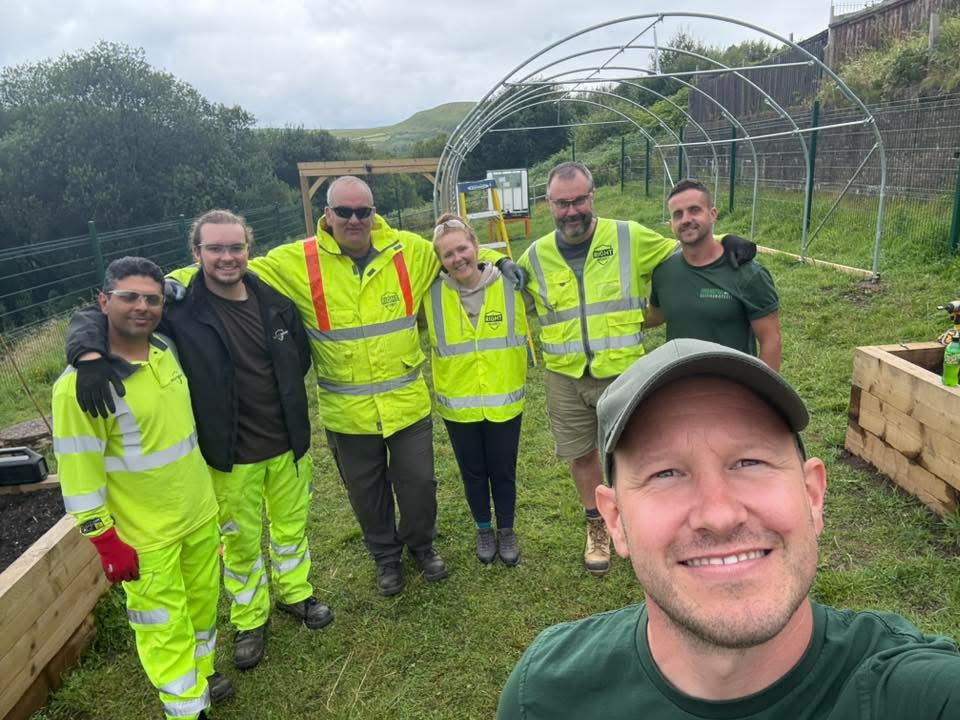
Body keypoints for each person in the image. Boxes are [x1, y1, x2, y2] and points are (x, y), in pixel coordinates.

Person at [497, 338, 960, 719]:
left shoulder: (913, 694)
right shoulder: (544, 698)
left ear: (813, 495)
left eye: (749, 462)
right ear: (615, 520)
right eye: (666, 473)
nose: (719, 516)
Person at [174, 177, 518, 596]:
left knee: (418, 487)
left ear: (374, 214)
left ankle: (421, 546)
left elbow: (458, 251)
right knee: (366, 494)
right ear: (327, 215)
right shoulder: (298, 261)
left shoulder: (408, 250)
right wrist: (168, 287)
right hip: (347, 413)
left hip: (406, 405)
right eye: (344, 212)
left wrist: (499, 261)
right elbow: (229, 266)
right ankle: (386, 558)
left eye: (363, 212)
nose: (354, 220)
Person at [66, 211, 331, 672]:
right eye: (216, 248)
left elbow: (298, 360)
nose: (228, 257)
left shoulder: (276, 302)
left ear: (248, 249)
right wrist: (87, 354)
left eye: (236, 247)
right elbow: (104, 311)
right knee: (240, 544)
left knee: (291, 529)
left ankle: (296, 592)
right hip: (228, 453)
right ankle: (250, 618)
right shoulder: (180, 309)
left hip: (288, 443)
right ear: (196, 253)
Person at [517, 161, 756, 576]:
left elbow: (685, 249)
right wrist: (492, 260)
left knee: (636, 453)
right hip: (564, 377)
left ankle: (641, 524)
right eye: (562, 203)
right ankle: (597, 525)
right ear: (548, 204)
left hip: (622, 373)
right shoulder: (535, 256)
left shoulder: (627, 236)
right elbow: (492, 281)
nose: (572, 211)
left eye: (579, 201)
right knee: (581, 456)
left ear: (593, 197)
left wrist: (724, 243)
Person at [53, 257, 228, 720]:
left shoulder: (164, 349)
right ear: (103, 301)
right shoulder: (80, 387)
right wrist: (105, 539)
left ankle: (202, 674)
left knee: (203, 608)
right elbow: (79, 474)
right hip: (146, 536)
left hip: (197, 514)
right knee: (163, 625)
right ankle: (186, 708)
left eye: (152, 299)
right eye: (129, 297)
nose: (142, 307)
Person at [425, 214, 528, 565]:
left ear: (476, 246)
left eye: (462, 249)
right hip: (459, 405)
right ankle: (484, 529)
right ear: (439, 260)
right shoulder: (431, 291)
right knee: (473, 473)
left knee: (503, 470)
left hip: (504, 399)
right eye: (448, 254)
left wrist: (502, 260)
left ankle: (506, 529)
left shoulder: (509, 282)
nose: (458, 259)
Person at [644, 178, 782, 370]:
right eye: (678, 214)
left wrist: (762, 387)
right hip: (680, 381)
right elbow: (656, 316)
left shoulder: (749, 274)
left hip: (731, 383)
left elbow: (771, 340)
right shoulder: (664, 272)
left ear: (712, 214)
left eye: (694, 210)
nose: (686, 219)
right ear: (671, 224)